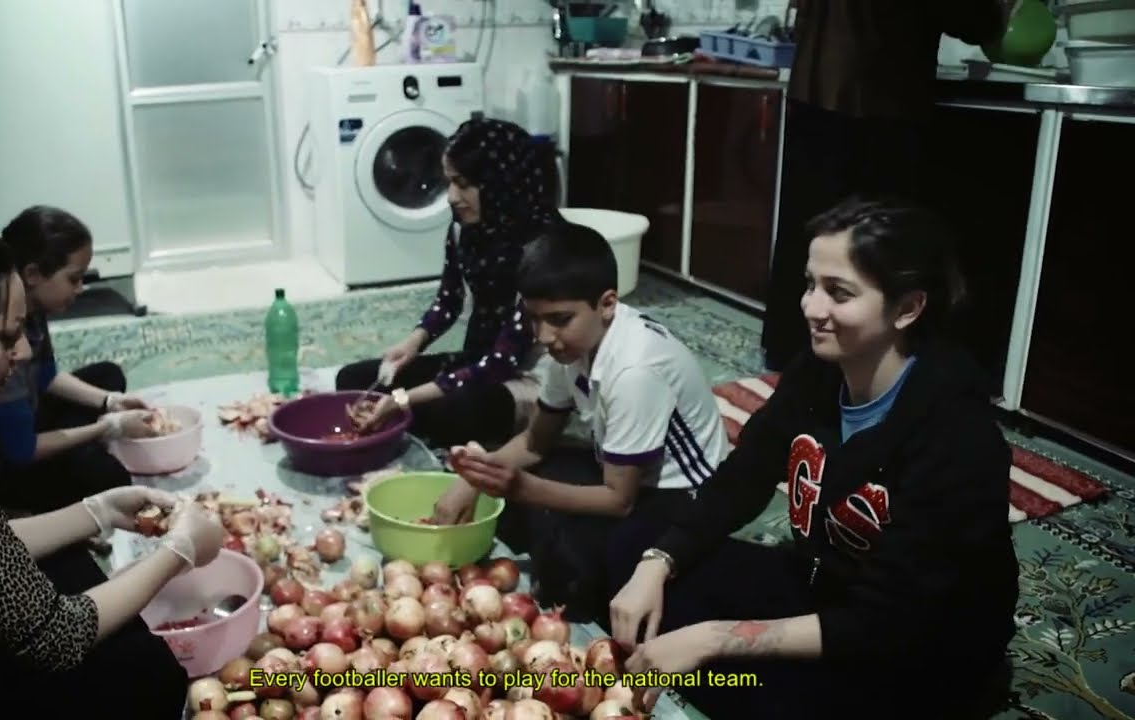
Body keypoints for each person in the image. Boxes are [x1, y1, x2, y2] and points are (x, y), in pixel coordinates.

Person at [608, 197, 1019, 720]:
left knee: (769, 699)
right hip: (826, 587)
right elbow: (745, 477)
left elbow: (890, 618)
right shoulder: (820, 371)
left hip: (920, 645)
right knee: (632, 549)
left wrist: (715, 638)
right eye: (810, 284)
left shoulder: (958, 437)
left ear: (908, 308)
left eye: (838, 293)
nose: (810, 307)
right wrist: (658, 561)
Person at [0, 222, 225, 719]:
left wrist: (99, 512)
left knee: (71, 560)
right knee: (146, 670)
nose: (25, 352)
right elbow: (53, 638)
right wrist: (177, 552)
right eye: (6, 337)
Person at [433, 222, 729, 622]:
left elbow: (619, 501)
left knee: (582, 557)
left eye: (559, 319)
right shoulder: (571, 348)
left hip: (684, 495)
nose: (543, 336)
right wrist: (471, 479)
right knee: (518, 487)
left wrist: (521, 487)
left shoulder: (634, 372)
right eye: (534, 319)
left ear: (607, 304)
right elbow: (535, 442)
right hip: (622, 472)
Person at [761, 0, 1010, 370]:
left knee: (812, 227)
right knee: (876, 243)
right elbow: (973, 20)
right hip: (882, 97)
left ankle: (792, 357)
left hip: (815, 88)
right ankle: (852, 365)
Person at [336, 117, 563, 449]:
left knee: (455, 412)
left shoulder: (544, 248)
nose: (452, 197)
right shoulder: (465, 228)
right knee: (353, 380)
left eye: (464, 184)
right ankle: (406, 416)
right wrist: (412, 344)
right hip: (476, 360)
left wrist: (402, 400)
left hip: (524, 377)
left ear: (500, 182)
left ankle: (408, 418)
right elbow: (449, 299)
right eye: (449, 183)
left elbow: (503, 361)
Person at [0, 205, 154, 518]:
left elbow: (46, 376)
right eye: (74, 279)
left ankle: (81, 438)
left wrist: (109, 402)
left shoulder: (33, 309)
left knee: (108, 376)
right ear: (33, 274)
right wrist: (106, 428)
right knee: (110, 477)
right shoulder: (4, 340)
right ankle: (80, 448)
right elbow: (21, 451)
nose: (81, 289)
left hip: (29, 415)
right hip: (9, 465)